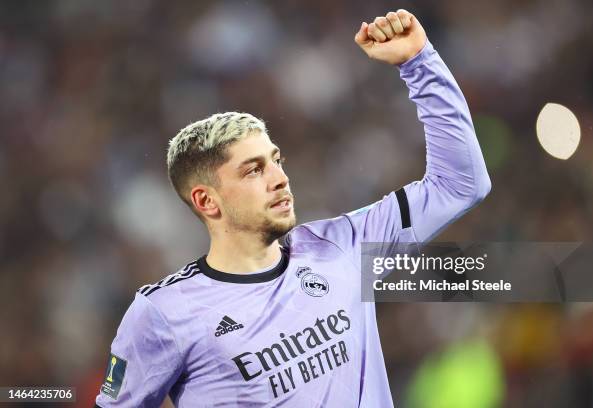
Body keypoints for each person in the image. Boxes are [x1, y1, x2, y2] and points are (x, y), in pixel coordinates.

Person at [95, 9, 490, 407]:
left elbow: (460, 185)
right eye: (253, 171)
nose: (280, 178)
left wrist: (419, 62)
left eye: (276, 161)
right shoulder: (164, 313)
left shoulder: (344, 246)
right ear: (206, 200)